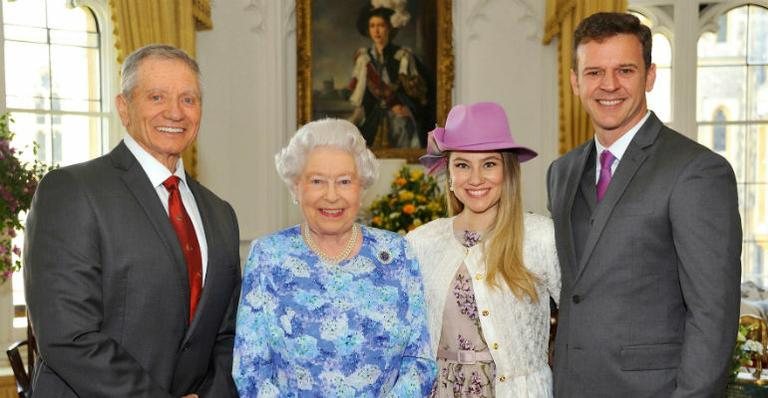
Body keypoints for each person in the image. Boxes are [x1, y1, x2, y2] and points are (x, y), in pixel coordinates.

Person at [24, 44, 241, 397]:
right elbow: (68, 336)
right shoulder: (71, 192)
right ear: (123, 108)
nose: (175, 112)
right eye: (156, 97)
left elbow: (227, 334)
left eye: (189, 99)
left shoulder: (220, 214)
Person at [547, 12, 742, 397]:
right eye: (594, 73)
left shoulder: (697, 170)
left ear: (650, 76)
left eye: (625, 70)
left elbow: (713, 314)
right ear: (574, 81)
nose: (609, 85)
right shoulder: (562, 171)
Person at [232, 118, 436, 396]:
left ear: (361, 188)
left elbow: (419, 362)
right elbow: (250, 368)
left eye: (344, 181)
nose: (331, 195)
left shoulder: (397, 254)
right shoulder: (268, 256)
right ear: (296, 188)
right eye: (317, 181)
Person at [407, 102, 561, 397]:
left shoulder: (541, 237)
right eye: (462, 165)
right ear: (449, 173)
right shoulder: (421, 243)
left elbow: (584, 316)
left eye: (489, 164)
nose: (475, 179)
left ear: (508, 171)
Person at [348, 2, 434, 149]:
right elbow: (363, 99)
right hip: (373, 121)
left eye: (381, 25)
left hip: (400, 123)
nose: (376, 31)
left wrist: (409, 110)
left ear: (389, 28)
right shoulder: (364, 59)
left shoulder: (404, 57)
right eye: (372, 26)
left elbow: (423, 96)